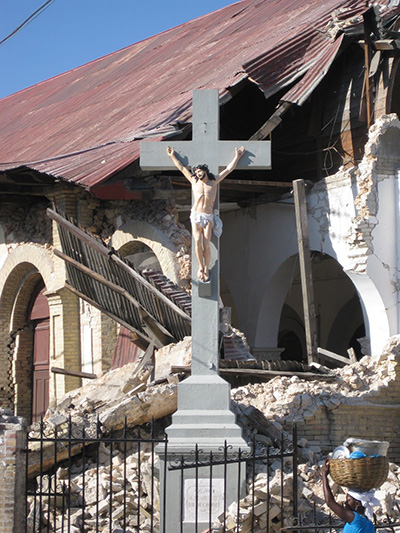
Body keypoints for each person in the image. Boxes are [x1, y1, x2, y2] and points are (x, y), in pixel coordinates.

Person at [166, 145, 245, 281]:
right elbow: (181, 168)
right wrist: (172, 155)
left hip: (208, 216)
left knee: (206, 243)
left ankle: (206, 268)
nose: (197, 173)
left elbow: (228, 169)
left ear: (205, 171)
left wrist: (237, 156)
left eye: (199, 171)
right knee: (197, 241)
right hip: (196, 215)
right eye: (196, 172)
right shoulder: (194, 182)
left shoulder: (214, 182)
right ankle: (201, 267)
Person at [321, 458, 381, 533]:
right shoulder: (369, 524)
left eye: (348, 500)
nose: (345, 503)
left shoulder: (356, 520)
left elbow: (330, 502)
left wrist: (324, 476)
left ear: (357, 503)